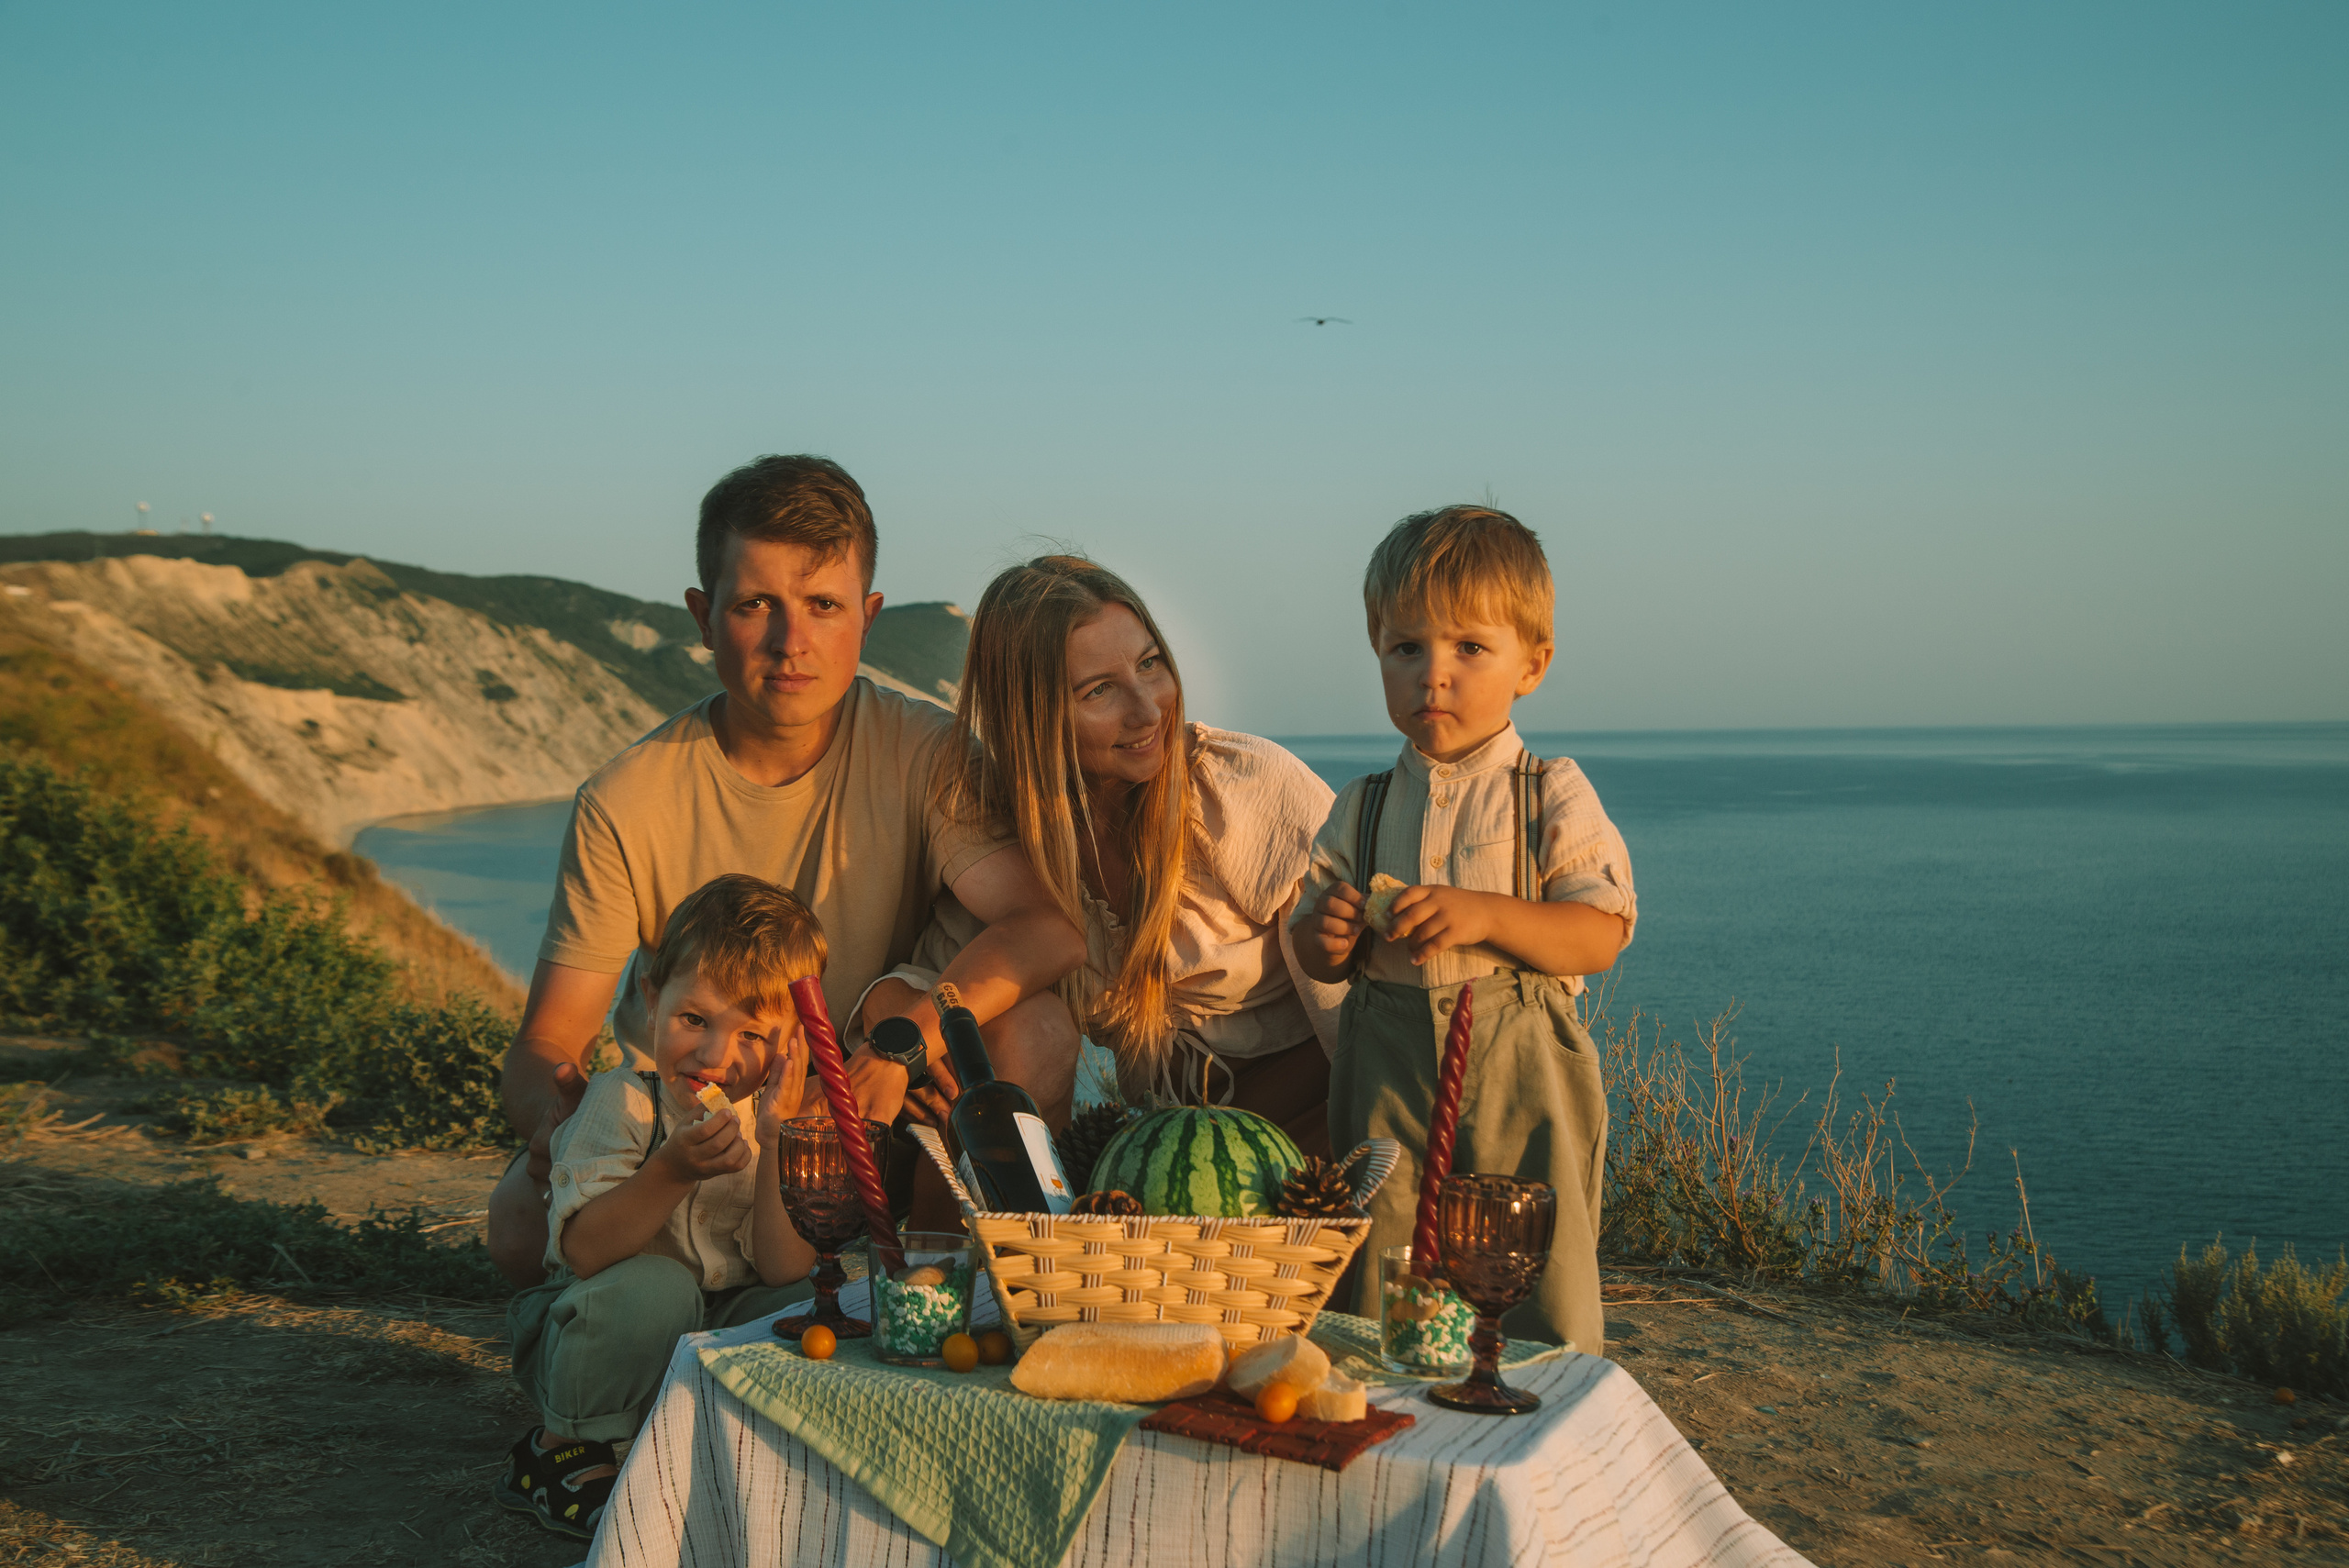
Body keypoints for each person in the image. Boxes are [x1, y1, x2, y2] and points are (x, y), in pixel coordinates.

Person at [488, 455, 1085, 1285]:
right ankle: (643, 1307)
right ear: (703, 616)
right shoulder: (625, 798)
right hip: (697, 1118)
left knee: (1039, 1029)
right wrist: (552, 1120)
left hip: (860, 1101)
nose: (791, 641)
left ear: (868, 617)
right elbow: (549, 1037)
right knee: (519, 1224)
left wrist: (904, 1041)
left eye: (823, 605)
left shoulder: (925, 751)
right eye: (755, 603)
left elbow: (1045, 927)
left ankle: (943, 1280)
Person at [1291, 506, 1637, 1356]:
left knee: (1534, 1255)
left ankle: (1544, 1409)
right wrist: (1328, 934)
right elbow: (1307, 944)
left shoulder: (1546, 790)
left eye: (1468, 648)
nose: (1432, 675)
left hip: (1519, 1063)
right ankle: (1393, 1407)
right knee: (1381, 1254)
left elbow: (1601, 933)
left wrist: (1486, 915)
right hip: (1386, 1065)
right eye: (1406, 648)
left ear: (1534, 664)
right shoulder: (1362, 803)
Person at [903, 554, 1345, 1149]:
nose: (1148, 709)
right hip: (1155, 1158)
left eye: (1150, 664)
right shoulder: (1010, 837)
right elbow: (936, 975)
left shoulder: (1240, 792)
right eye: (1100, 690)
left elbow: (1364, 1022)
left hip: (1313, 1138)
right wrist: (891, 1033)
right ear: (1033, 717)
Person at [496, 873, 822, 1542]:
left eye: (753, 1035)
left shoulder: (775, 1121)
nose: (715, 1055)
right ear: (652, 1000)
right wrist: (670, 1170)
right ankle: (560, 1448)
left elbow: (785, 1266)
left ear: (793, 1044)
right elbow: (583, 1250)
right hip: (593, 1332)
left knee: (808, 1302)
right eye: (694, 1019)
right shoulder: (624, 1102)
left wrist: (773, 1143)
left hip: (706, 1325)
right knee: (658, 1286)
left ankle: (710, 1445)